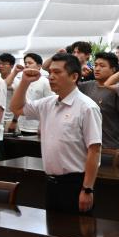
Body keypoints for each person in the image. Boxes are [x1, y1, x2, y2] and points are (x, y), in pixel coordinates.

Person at [11, 54, 102, 214]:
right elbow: (16, 108)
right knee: (53, 227)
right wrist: (25, 82)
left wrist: (87, 189)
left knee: (76, 228)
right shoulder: (48, 103)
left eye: (57, 72)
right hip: (51, 182)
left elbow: (94, 151)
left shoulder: (87, 107)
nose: (51, 77)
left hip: (76, 183)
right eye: (50, 72)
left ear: (74, 77)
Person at [78, 51, 119, 149]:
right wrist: (79, 73)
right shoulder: (87, 86)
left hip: (109, 146)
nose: (97, 69)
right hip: (87, 145)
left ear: (113, 69)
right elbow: (65, 86)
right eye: (96, 65)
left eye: (102, 66)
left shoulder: (117, 90)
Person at [7, 53, 52, 135]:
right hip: (21, 125)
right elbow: (19, 104)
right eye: (25, 63)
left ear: (39, 66)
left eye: (30, 63)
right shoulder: (22, 81)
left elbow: (50, 106)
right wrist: (14, 121)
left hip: (36, 127)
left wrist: (43, 125)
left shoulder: (45, 82)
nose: (27, 65)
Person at [0, 53, 18, 134]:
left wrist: (14, 121)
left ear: (12, 66)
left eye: (4, 64)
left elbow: (19, 104)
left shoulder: (17, 82)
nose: (0, 66)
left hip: (9, 121)